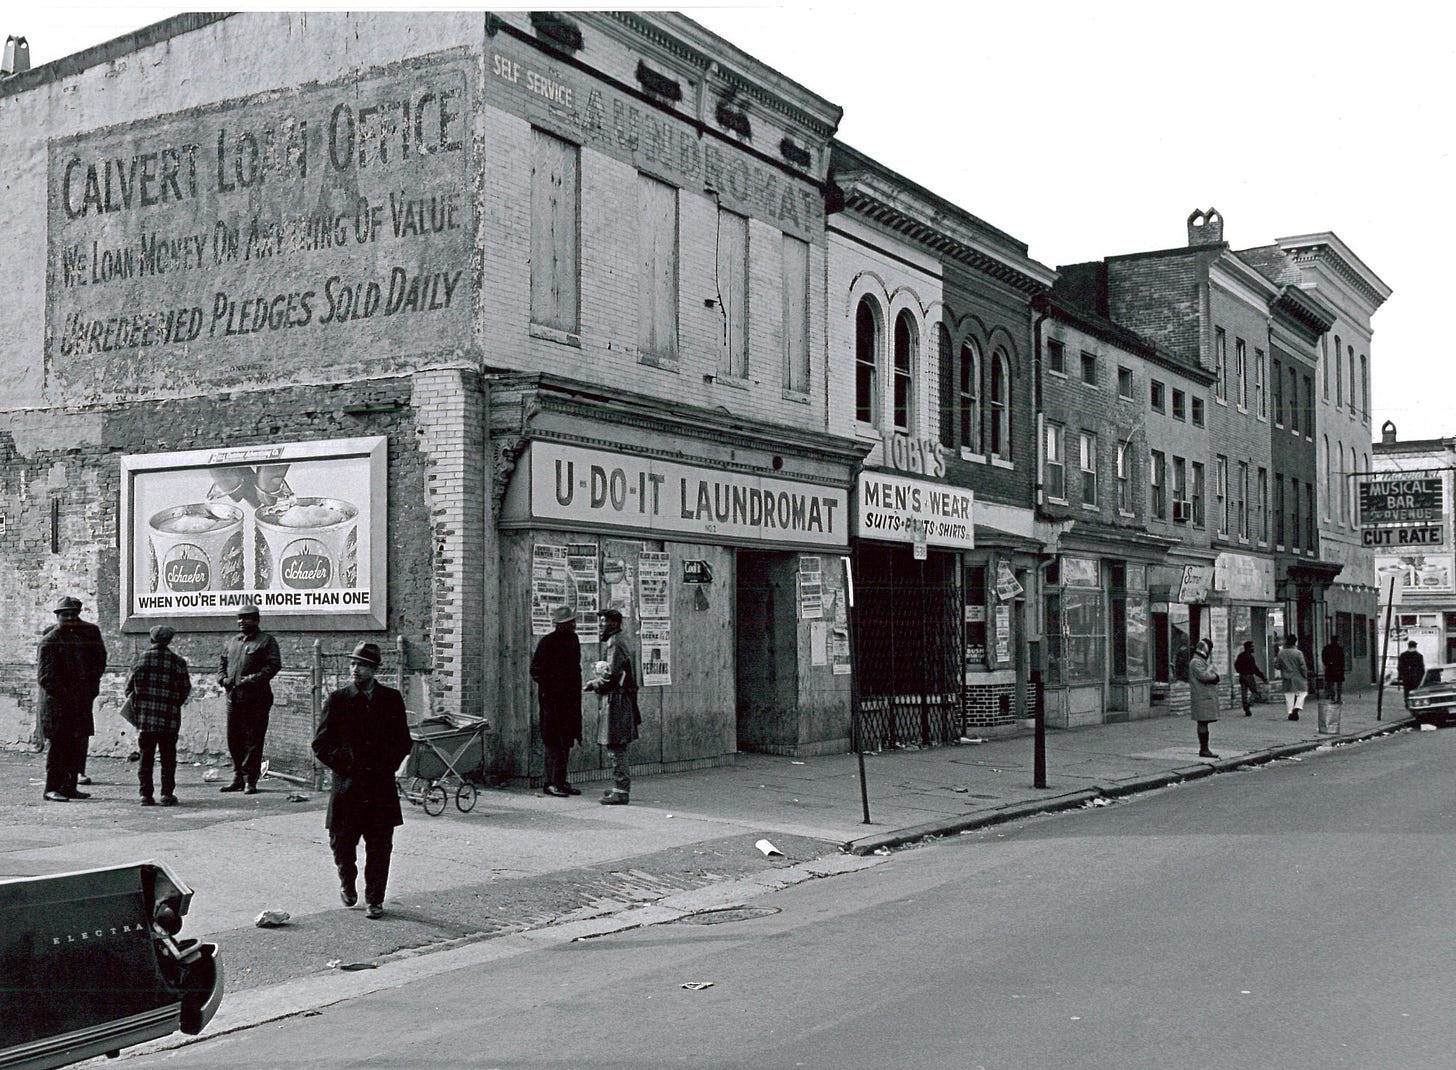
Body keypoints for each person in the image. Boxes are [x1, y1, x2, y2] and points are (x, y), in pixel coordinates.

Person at [311, 642, 412, 920]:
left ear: (374, 669)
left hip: (380, 788)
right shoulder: (338, 700)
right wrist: (346, 763)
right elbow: (320, 744)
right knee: (341, 842)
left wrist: (385, 766)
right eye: (353, 664)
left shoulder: (390, 699)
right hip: (347, 788)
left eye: (363, 665)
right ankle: (347, 880)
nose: (356, 669)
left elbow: (403, 741)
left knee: (380, 846)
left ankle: (375, 899)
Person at [36, 595, 108, 802]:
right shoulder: (50, 641)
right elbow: (45, 678)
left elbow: (100, 661)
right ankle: (51, 788)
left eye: (73, 614)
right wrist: (69, 696)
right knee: (58, 746)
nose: (69, 617)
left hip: (81, 701)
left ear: (79, 614)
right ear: (57, 616)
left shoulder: (90, 632)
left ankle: (70, 787)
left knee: (77, 744)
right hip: (58, 704)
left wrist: (89, 688)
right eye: (64, 614)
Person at [216, 603, 281, 794]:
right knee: (234, 738)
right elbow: (222, 662)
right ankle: (237, 776)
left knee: (253, 739)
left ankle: (250, 780)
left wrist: (252, 680)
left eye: (245, 618)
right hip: (234, 697)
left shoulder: (266, 641)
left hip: (256, 699)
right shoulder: (233, 642)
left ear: (256, 620)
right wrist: (223, 678)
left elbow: (273, 666)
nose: (241, 622)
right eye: (239, 618)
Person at [126, 626, 192, 806]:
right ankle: (166, 794)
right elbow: (185, 689)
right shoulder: (177, 662)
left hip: (145, 719)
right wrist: (173, 703)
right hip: (169, 718)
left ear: (151, 639)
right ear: (169, 640)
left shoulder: (139, 659)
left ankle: (145, 795)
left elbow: (128, 689)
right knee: (168, 758)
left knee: (146, 757)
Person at [587, 608, 640, 805]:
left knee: (616, 745)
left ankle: (621, 789)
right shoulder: (619, 640)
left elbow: (612, 674)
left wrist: (595, 683)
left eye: (605, 623)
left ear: (615, 624)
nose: (601, 626)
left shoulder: (615, 643)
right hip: (620, 698)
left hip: (616, 700)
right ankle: (620, 786)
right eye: (600, 623)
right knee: (617, 746)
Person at [530, 605, 582, 797]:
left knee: (566, 740)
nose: (573, 625)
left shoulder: (573, 640)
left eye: (572, 622)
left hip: (570, 700)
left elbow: (575, 669)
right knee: (553, 741)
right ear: (560, 625)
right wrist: (552, 687)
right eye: (569, 623)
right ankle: (550, 782)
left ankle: (561, 780)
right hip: (552, 701)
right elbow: (536, 671)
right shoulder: (548, 642)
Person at [1189, 637, 1222, 759]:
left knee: (1204, 722)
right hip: (1201, 696)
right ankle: (1204, 749)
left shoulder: (1200, 661)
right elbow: (1204, 676)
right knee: (1202, 722)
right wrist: (1215, 676)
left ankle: (1205, 748)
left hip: (1204, 695)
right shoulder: (1196, 662)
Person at [1275, 634, 1310, 722]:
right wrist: (1305, 675)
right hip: (1298, 676)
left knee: (1289, 695)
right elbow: (1302, 666)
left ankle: (1290, 712)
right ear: (1295, 642)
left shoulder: (1281, 653)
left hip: (1286, 676)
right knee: (1303, 692)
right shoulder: (1298, 653)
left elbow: (1277, 665)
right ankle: (1297, 707)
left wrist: (1284, 667)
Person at [1234, 640, 1267, 716]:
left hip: (1242, 675)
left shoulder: (1241, 655)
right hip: (1249, 676)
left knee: (1244, 693)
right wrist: (1262, 677)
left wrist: (1240, 671)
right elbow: (1255, 669)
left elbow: (1236, 665)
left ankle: (1246, 708)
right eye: (1252, 647)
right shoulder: (1250, 657)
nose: (1253, 648)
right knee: (1254, 692)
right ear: (1248, 648)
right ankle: (1248, 704)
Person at [1398, 640, 1426, 708]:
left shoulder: (1403, 655)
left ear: (1408, 646)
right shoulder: (1419, 656)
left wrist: (1401, 676)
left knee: (1407, 690)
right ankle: (1414, 702)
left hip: (1406, 677)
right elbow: (1421, 668)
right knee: (1415, 690)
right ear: (1415, 646)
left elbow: (1400, 667)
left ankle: (1407, 702)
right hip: (1416, 677)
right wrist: (1422, 677)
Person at [1321, 634, 1346, 705]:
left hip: (1330, 668)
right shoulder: (1339, 648)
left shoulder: (1327, 648)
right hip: (1338, 668)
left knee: (1331, 683)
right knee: (1339, 684)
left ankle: (1332, 698)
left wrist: (1327, 664)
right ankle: (1338, 698)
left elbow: (1323, 658)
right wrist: (1342, 668)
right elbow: (1342, 660)